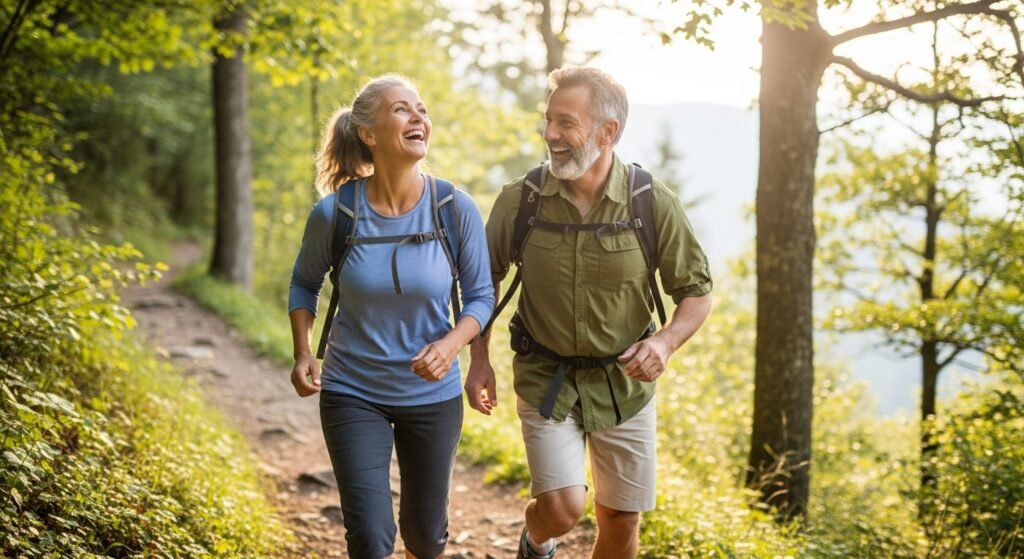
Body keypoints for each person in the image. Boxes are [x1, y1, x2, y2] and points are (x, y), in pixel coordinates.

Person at [465, 66, 713, 559]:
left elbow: (697, 291)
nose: (550, 135)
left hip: (624, 386)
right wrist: (479, 360)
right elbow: (480, 281)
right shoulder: (522, 200)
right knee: (561, 507)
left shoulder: (650, 203)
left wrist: (664, 343)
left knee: (620, 521)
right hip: (545, 375)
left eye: (565, 123)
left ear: (607, 132)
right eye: (548, 121)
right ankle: (536, 543)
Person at [288, 74, 494, 559]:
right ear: (369, 133)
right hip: (352, 392)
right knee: (371, 538)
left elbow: (481, 296)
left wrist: (450, 347)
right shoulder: (335, 214)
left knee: (425, 538)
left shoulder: (453, 208)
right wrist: (302, 352)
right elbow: (304, 283)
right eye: (402, 109)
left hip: (433, 395)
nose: (418, 117)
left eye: (421, 108)